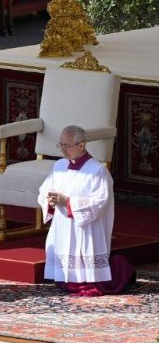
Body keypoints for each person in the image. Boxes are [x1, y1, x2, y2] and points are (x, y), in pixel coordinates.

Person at [39, 125, 135, 296]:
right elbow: (44, 190)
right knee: (63, 274)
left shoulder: (97, 170)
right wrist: (50, 200)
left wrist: (68, 202)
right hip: (62, 225)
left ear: (81, 145)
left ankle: (119, 270)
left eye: (67, 146)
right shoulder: (59, 166)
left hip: (85, 229)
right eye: (60, 145)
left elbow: (100, 202)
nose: (63, 150)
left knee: (87, 275)